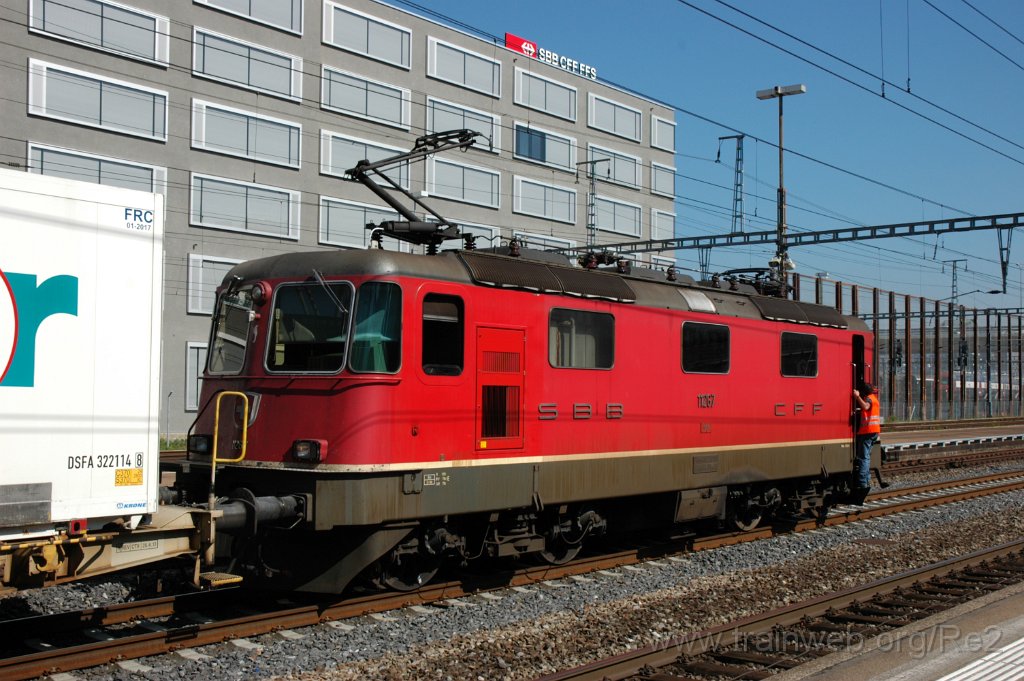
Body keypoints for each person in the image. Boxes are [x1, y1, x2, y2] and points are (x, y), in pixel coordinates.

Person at [852, 383, 881, 499]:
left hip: (868, 431)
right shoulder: (875, 398)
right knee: (867, 457)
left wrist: (857, 396)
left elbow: (865, 407)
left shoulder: (869, 399)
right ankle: (866, 479)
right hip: (874, 431)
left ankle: (863, 482)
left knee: (864, 457)